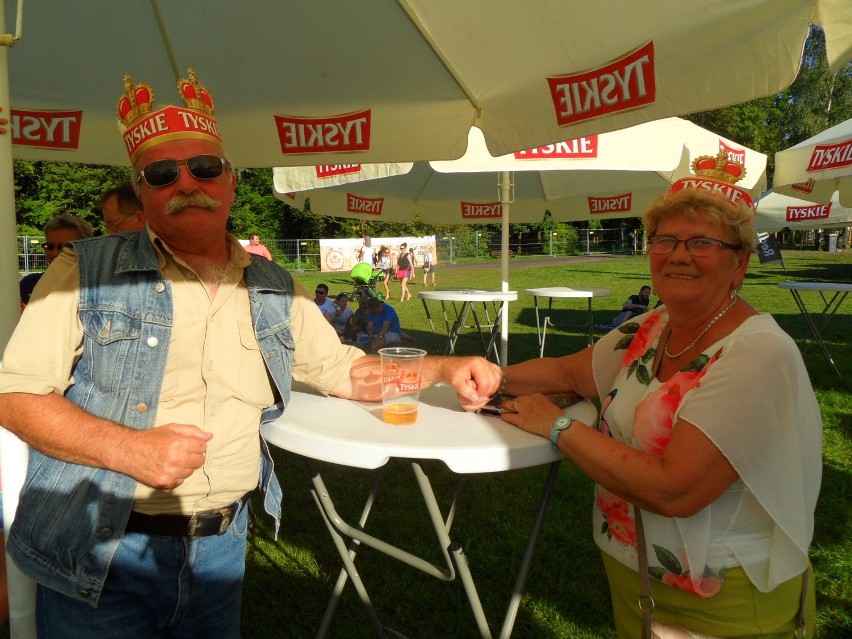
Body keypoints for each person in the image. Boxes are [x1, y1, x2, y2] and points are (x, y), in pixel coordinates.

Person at [0, 69, 498, 639]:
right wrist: (128, 450)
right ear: (142, 192)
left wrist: (443, 367)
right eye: (163, 174)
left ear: (231, 182)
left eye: (205, 168)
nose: (187, 182)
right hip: (101, 548)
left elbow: (347, 372)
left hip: (221, 550)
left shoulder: (275, 286)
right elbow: (15, 397)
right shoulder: (83, 271)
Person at [483, 181, 820, 636]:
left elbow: (674, 490)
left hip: (724, 604)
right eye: (665, 240)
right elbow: (566, 374)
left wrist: (557, 424)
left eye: (702, 242)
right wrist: (474, 373)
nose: (678, 255)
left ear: (739, 261)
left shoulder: (759, 353)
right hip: (636, 581)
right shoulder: (652, 327)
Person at [19, 215, 94, 309]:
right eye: (49, 246)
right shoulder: (29, 285)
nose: (55, 253)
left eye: (64, 247)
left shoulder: (96, 290)